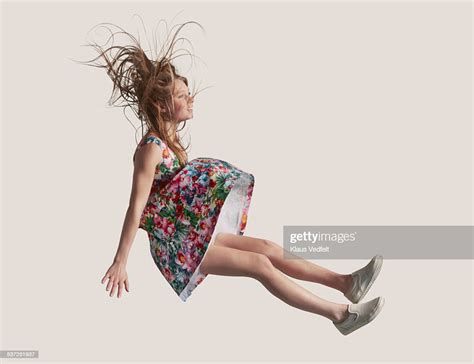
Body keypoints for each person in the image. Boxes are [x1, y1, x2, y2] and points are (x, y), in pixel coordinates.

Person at [80, 19, 385, 336]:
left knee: (265, 247)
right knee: (259, 266)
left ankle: (347, 284)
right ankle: (340, 315)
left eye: (188, 92)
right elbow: (135, 207)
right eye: (182, 95)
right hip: (178, 245)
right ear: (161, 104)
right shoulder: (151, 149)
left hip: (193, 232)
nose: (191, 98)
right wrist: (120, 260)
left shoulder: (171, 145)